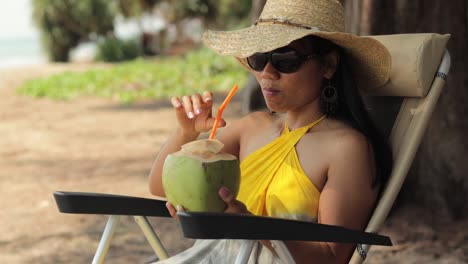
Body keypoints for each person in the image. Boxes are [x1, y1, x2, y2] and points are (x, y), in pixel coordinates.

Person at [148, 0, 393, 263]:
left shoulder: (345, 148)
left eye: (285, 60)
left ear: (328, 65)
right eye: (259, 57)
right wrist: (186, 134)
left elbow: (332, 256)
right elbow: (160, 185)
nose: (267, 72)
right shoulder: (251, 128)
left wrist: (250, 226)